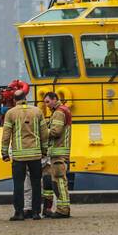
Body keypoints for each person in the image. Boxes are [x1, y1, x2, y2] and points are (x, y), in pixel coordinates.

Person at [1, 89, 45, 221]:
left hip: (19, 156)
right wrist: (44, 150)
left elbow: (6, 135)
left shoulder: (11, 113)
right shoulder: (37, 111)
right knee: (36, 184)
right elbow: (44, 133)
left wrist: (4, 152)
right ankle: (36, 213)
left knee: (18, 185)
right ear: (26, 98)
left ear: (14, 100)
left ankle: (19, 213)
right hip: (35, 154)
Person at [42, 91, 72, 219]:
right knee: (58, 181)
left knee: (59, 181)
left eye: (48, 102)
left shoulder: (59, 112)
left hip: (58, 153)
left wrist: (42, 131)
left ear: (55, 99)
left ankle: (63, 209)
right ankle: (61, 208)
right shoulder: (62, 110)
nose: (46, 105)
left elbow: (56, 131)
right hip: (60, 152)